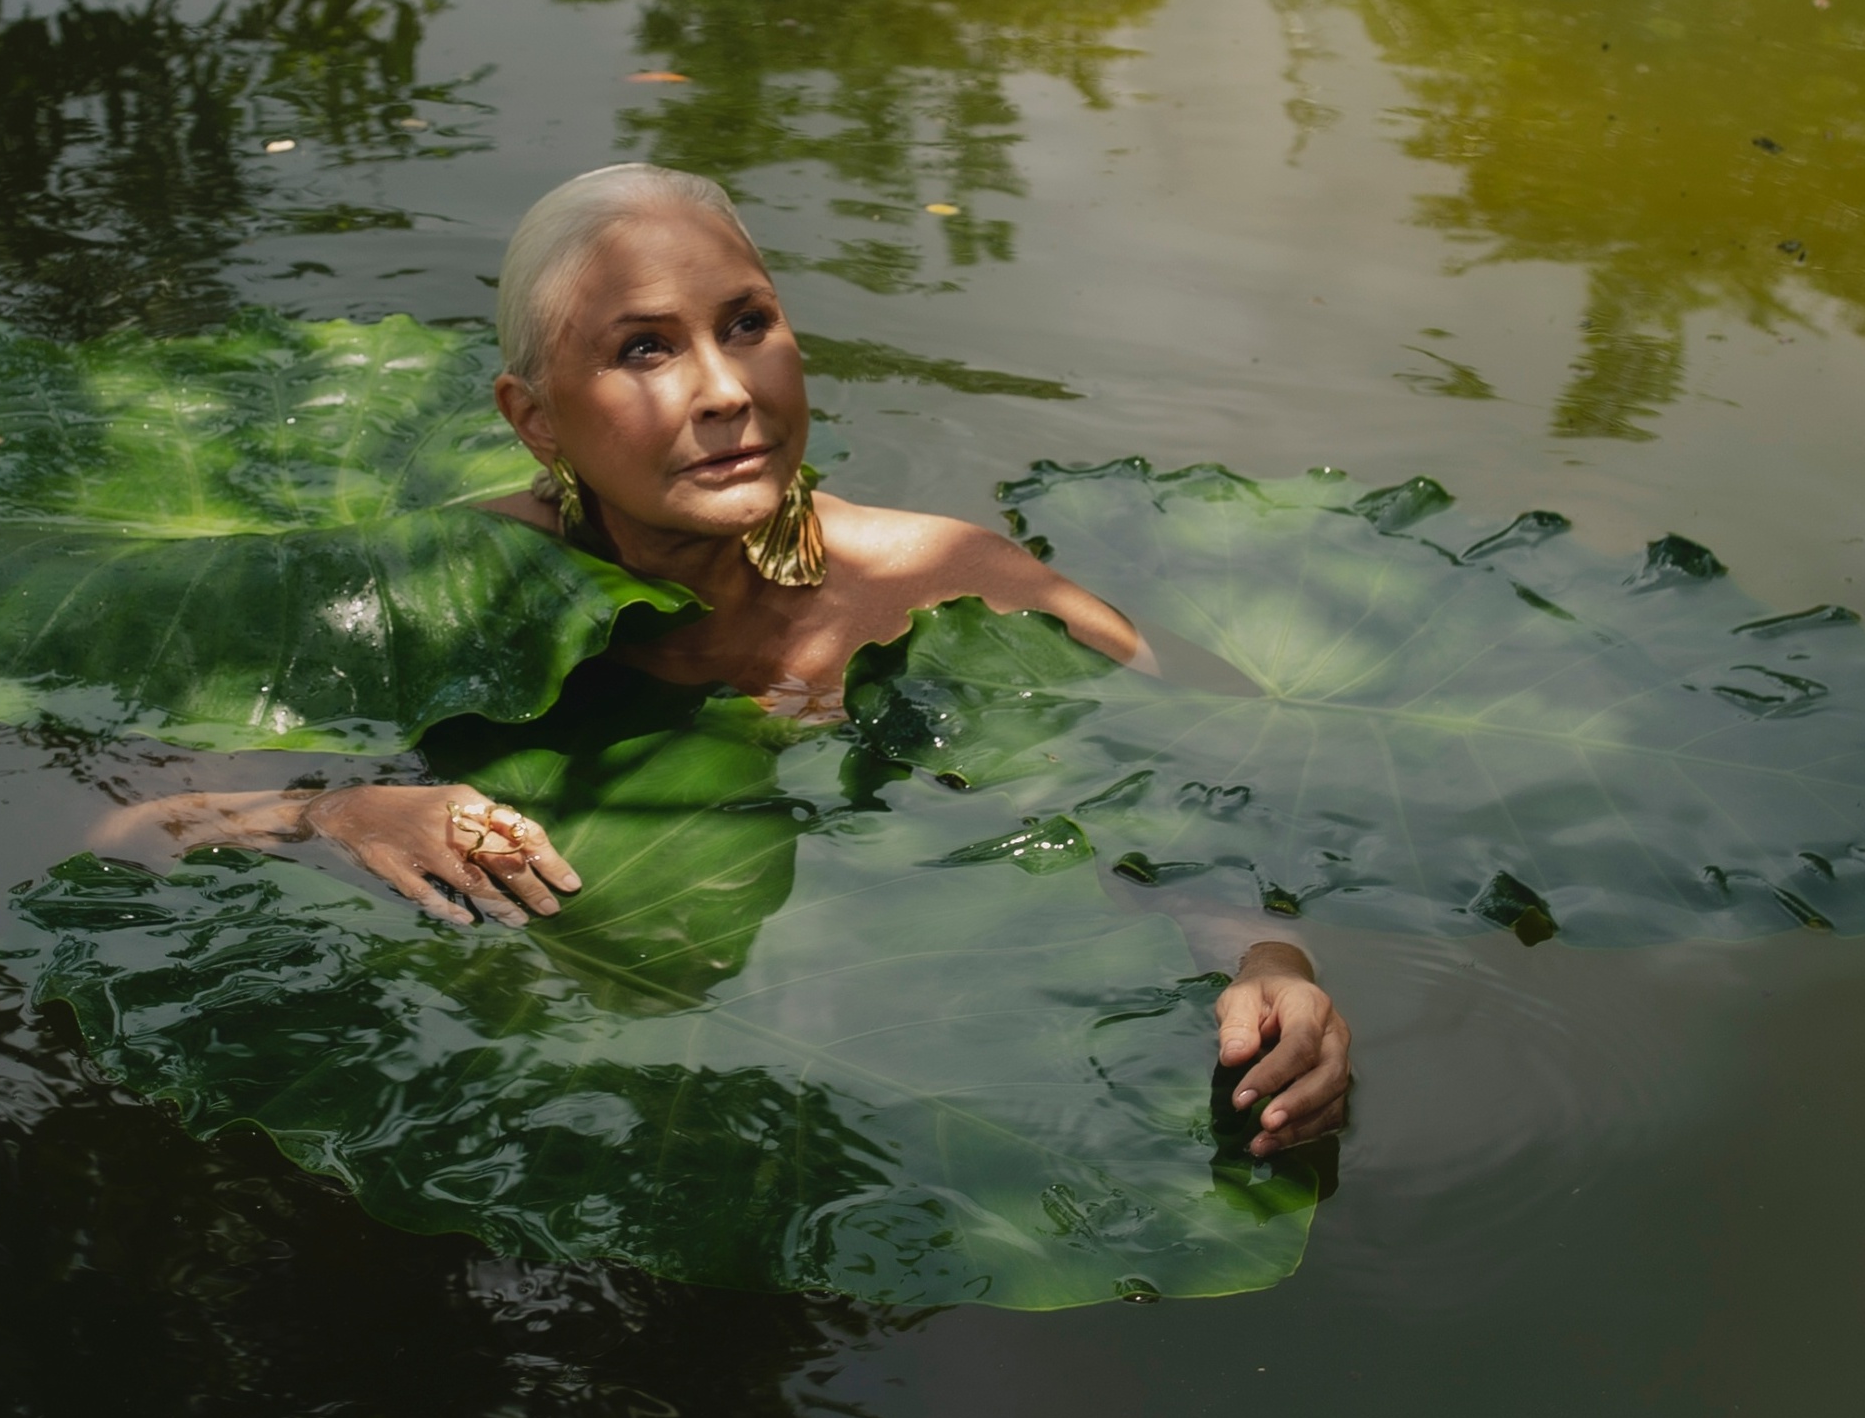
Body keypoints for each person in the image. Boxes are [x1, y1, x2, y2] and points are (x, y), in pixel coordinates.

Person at [88, 162, 1350, 1156]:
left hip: (901, 1079)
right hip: (561, 1107)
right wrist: (340, 812)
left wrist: (1272, 969)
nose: (725, 390)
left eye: (748, 325)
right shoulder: (433, 598)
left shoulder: (971, 592)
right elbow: (136, 839)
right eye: (645, 349)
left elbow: (1191, 829)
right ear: (533, 419)